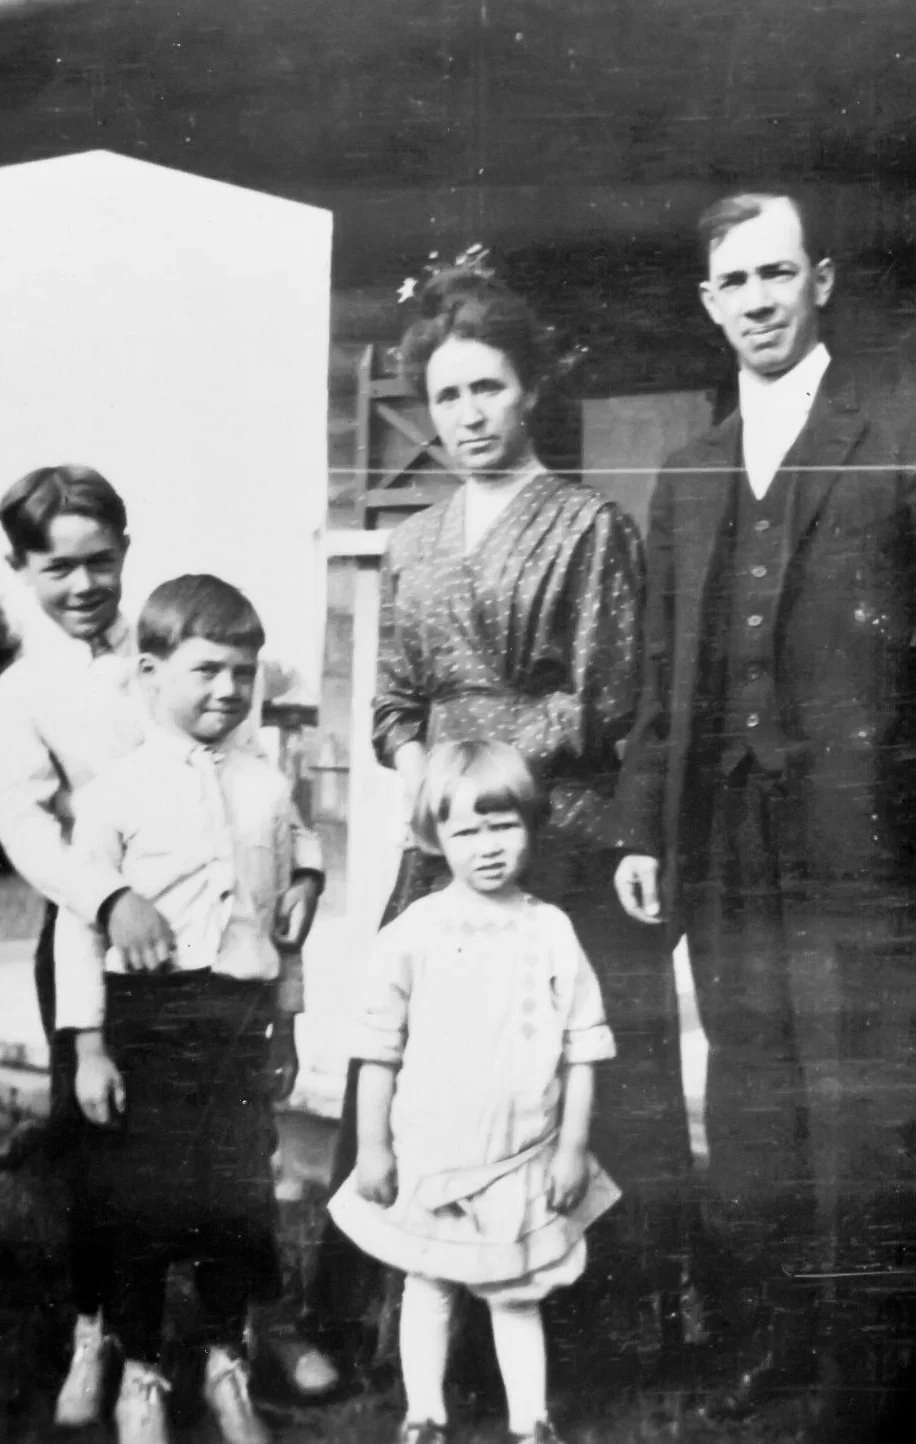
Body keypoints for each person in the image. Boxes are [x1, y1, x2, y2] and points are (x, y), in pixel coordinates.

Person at [312, 265, 690, 1373]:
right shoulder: (417, 540)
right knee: (420, 1062)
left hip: (557, 839)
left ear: (530, 393)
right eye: (447, 397)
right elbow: (391, 700)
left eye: (488, 389)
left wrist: (487, 759)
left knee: (552, 1073)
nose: (468, 416)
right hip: (442, 848)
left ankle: (586, 1333)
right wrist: (422, 762)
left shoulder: (589, 527)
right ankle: (379, 1321)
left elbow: (606, 698)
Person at [613, 191, 916, 1416]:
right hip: (721, 834)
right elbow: (654, 671)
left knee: (858, 1092)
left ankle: (870, 1369)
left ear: (821, 281)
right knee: (749, 1088)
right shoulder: (685, 476)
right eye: (733, 282)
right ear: (707, 302)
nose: (756, 301)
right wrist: (643, 824)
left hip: (857, 836)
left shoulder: (890, 436)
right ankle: (780, 1337)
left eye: (776, 274)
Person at [0, 469, 331, 1426]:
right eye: (58, 568)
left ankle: (250, 1327)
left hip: (226, 961)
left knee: (233, 1163)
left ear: (126, 552)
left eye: (101, 561)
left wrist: (304, 869)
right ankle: (102, 1335)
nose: (85, 584)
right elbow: (25, 827)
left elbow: (268, 797)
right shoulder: (26, 690)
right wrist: (109, 896)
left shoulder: (187, 643)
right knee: (109, 1161)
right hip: (105, 948)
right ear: (22, 570)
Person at [52, 574, 322, 1444]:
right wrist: (89, 1045)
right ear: (149, 670)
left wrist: (289, 1020)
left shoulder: (267, 787)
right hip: (146, 1020)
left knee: (237, 1198)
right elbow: (77, 930)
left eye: (243, 673)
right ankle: (139, 1371)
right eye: (207, 670)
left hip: (238, 1019)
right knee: (142, 1205)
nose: (227, 691)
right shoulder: (115, 794)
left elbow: (287, 914)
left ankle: (225, 1360)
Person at [329, 740, 621, 1444]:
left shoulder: (550, 930)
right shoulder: (414, 934)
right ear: (434, 835)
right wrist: (372, 1149)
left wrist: (572, 1150)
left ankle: (531, 1420)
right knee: (427, 1285)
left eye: (505, 826)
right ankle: (424, 1414)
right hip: (433, 1154)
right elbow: (376, 1051)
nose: (488, 847)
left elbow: (583, 1047)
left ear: (530, 825)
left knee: (515, 1292)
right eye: (466, 830)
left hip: (521, 1156)